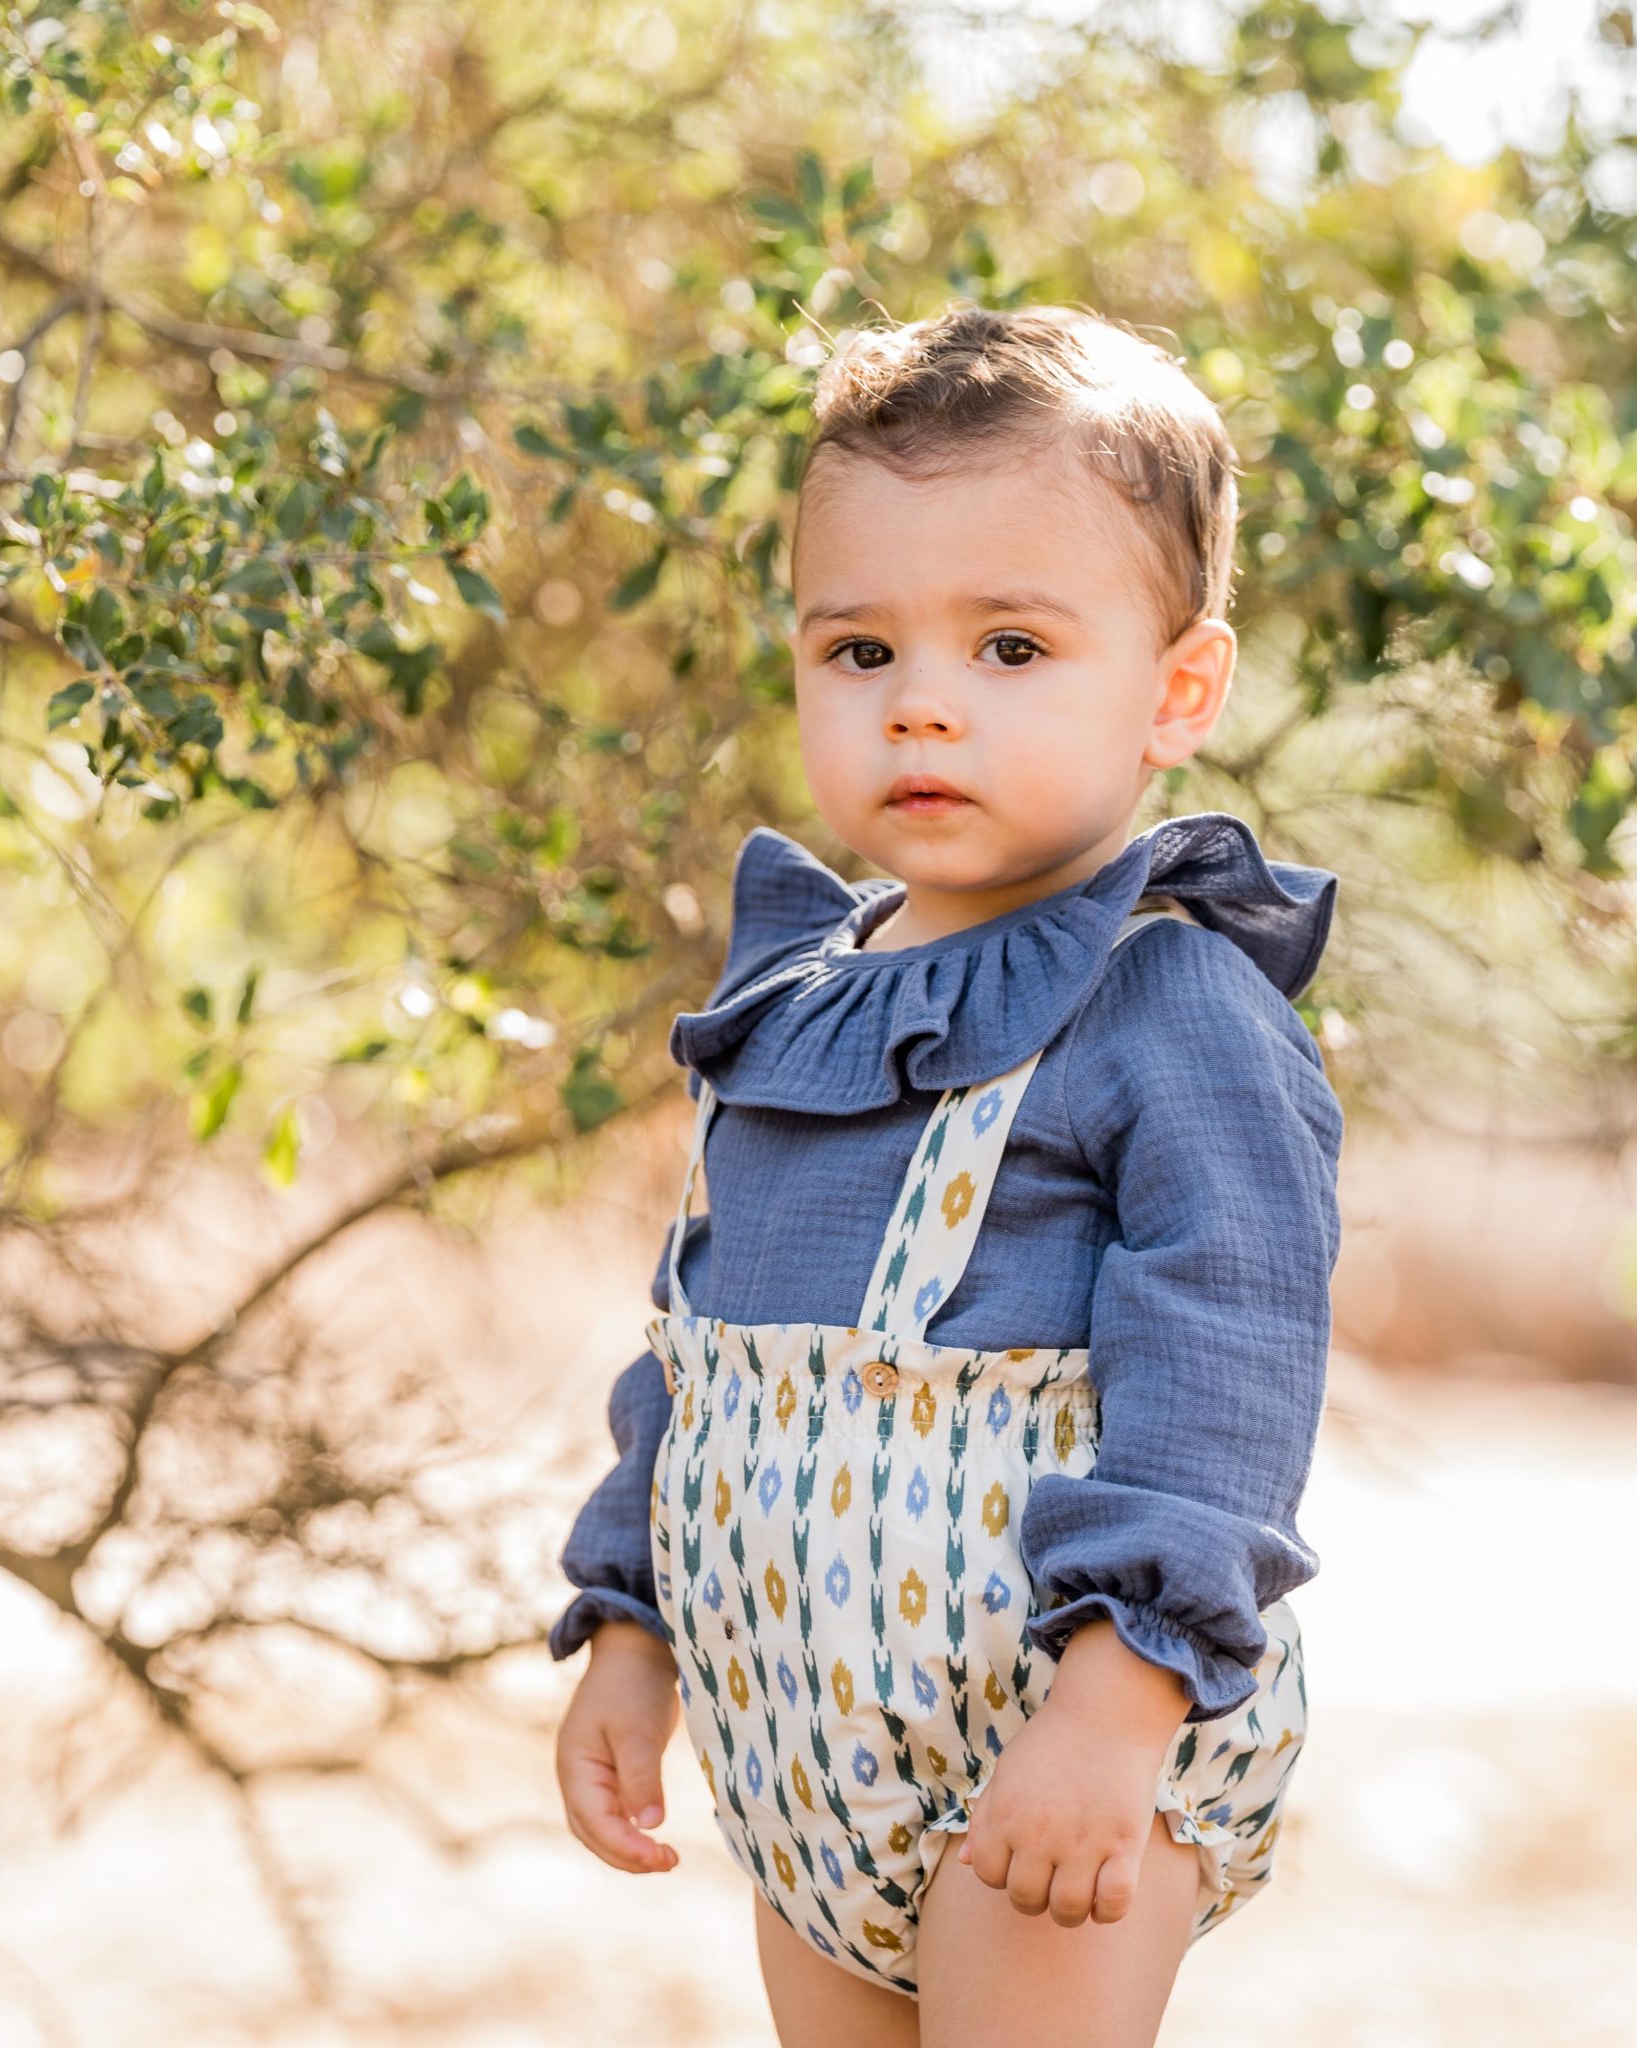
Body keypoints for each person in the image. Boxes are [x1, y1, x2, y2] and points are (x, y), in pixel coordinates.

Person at [546, 299, 1345, 2046]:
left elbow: (1228, 1370)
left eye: (1009, 648)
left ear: (1177, 690)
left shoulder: (1168, 1001)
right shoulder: (798, 996)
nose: (921, 707)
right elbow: (704, 1342)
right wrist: (631, 1626)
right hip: (799, 1739)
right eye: (861, 651)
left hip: (1052, 1725)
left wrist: (1117, 1709)